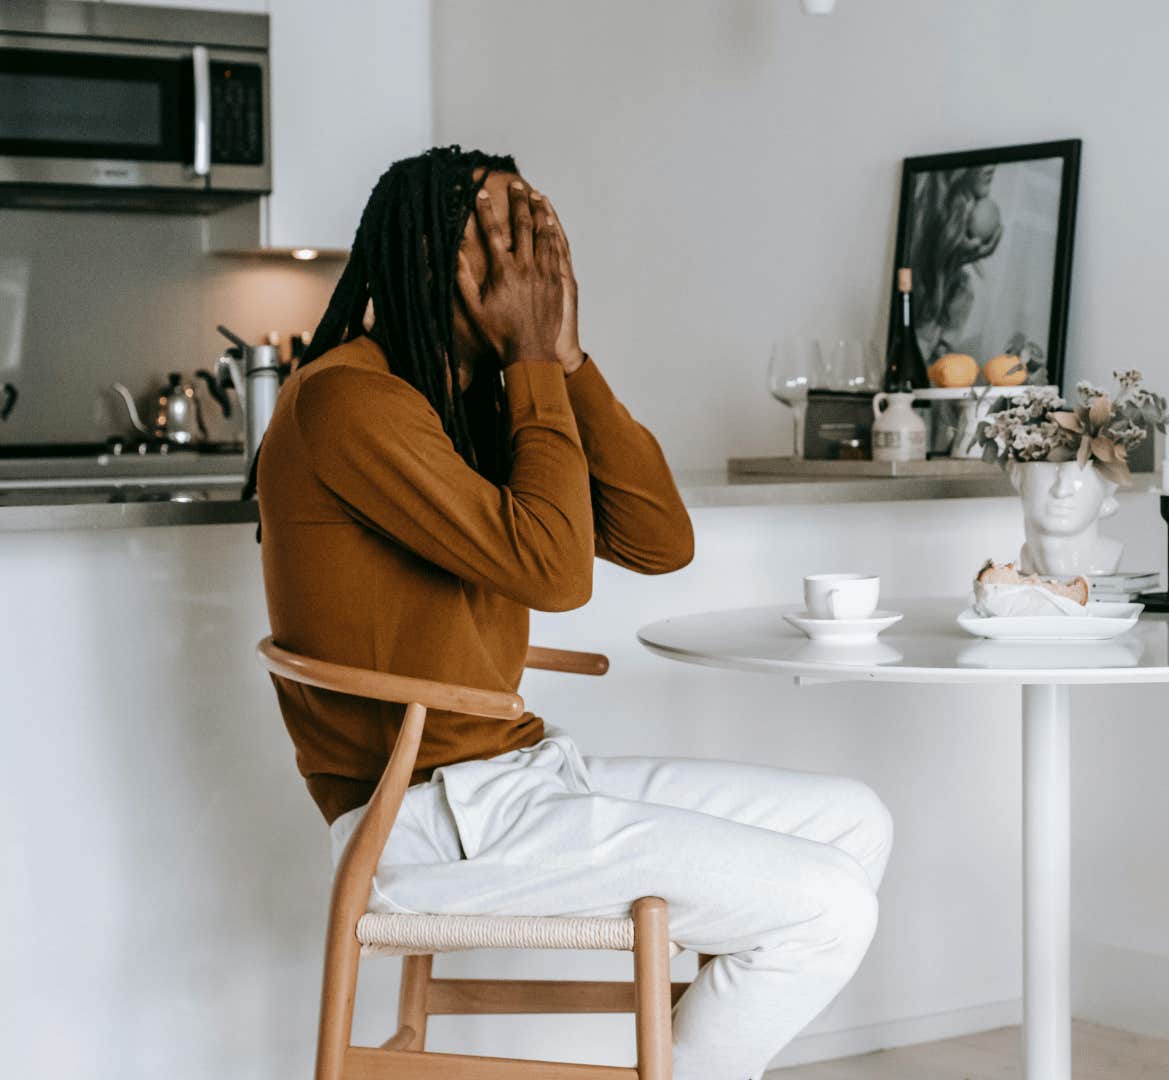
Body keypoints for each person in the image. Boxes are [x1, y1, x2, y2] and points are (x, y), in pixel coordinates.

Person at [253, 146, 892, 1080]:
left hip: (516, 781)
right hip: (425, 821)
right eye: (506, 234)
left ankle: (685, 1059)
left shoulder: (458, 398)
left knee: (854, 825)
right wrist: (529, 361)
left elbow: (659, 538)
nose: (536, 260)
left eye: (541, 228)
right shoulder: (353, 398)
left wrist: (565, 357)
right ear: (431, 257)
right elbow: (556, 573)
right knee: (830, 906)